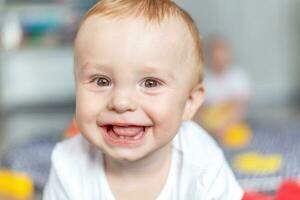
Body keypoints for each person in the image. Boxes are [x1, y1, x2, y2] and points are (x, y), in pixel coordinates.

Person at [43, 0, 243, 199]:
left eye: (150, 83)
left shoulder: (202, 162)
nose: (121, 103)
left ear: (189, 103)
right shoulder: (68, 165)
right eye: (101, 81)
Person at [193, 37, 252, 148]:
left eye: (222, 56)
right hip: (207, 123)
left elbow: (241, 107)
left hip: (231, 122)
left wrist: (225, 124)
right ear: (208, 58)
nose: (219, 61)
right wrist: (210, 127)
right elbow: (196, 108)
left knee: (240, 135)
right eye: (215, 57)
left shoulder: (238, 76)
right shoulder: (201, 79)